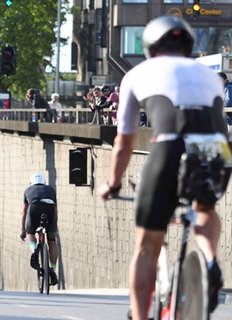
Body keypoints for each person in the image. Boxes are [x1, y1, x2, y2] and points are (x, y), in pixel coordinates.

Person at [97, 16, 227, 320]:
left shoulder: (137, 74)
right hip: (218, 149)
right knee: (205, 209)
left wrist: (113, 184)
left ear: (150, 47)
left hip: (170, 147)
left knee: (146, 247)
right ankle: (210, 260)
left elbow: (124, 142)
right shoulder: (209, 75)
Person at [19, 173, 59, 286]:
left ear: (31, 183)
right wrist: (54, 226)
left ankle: (34, 251)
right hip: (50, 209)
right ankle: (52, 269)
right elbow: (55, 210)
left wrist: (23, 230)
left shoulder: (28, 190)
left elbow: (24, 212)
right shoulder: (51, 189)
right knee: (52, 241)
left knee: (30, 232)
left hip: (34, 208)